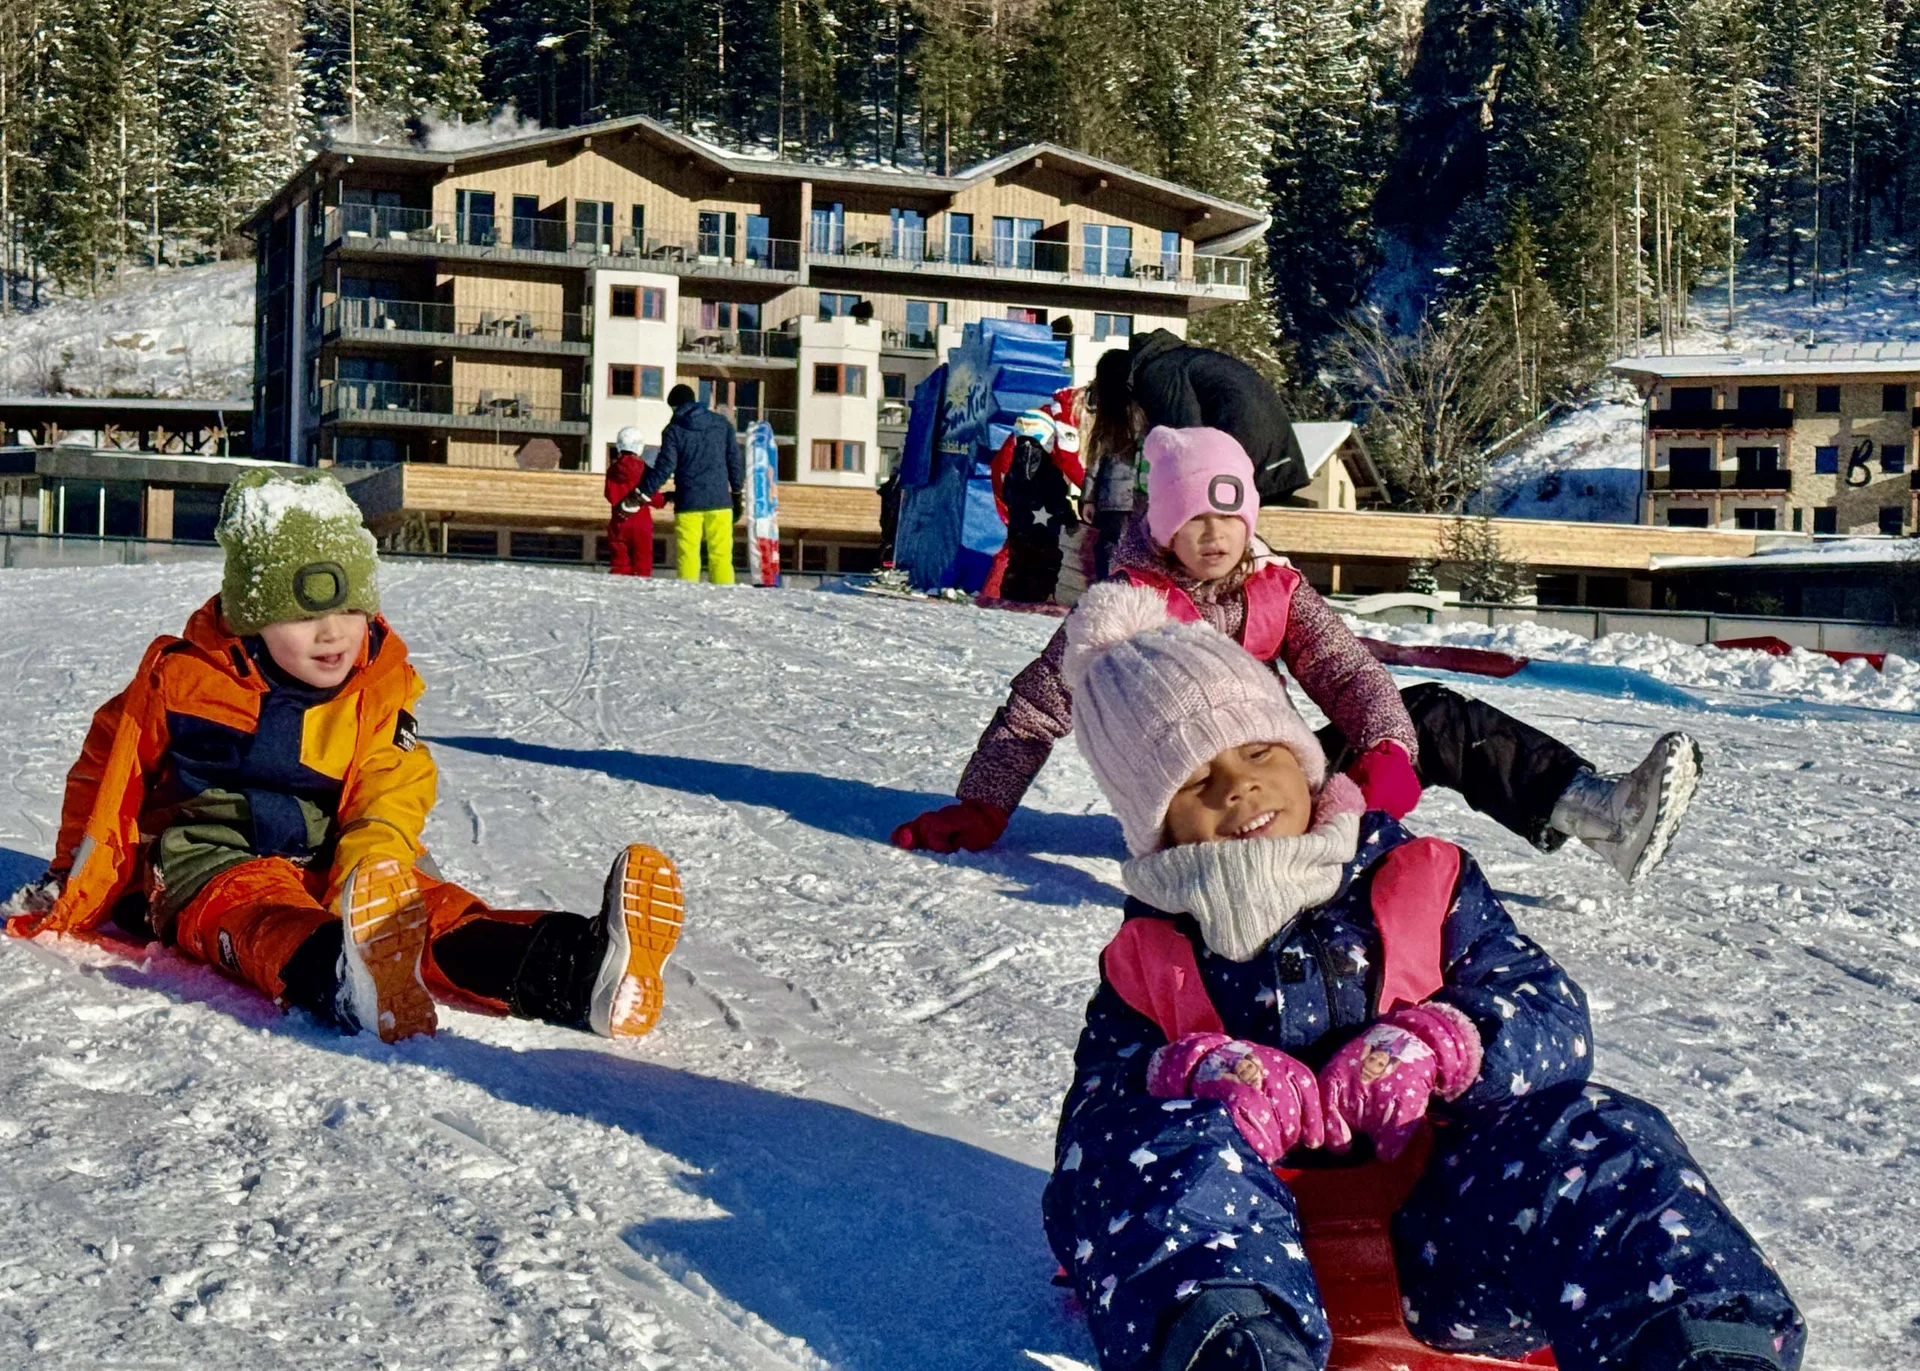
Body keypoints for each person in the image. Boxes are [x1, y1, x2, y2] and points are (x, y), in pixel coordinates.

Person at [1042, 581, 1804, 1371]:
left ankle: (1697, 1348)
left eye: (1259, 750)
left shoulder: (1420, 878)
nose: (1238, 785)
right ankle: (1231, 1356)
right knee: (1143, 1155)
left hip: (1446, 1247)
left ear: (1303, 759)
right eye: (1195, 782)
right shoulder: (1149, 954)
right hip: (1241, 1268)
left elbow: (1550, 1014)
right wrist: (1189, 1072)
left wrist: (1444, 1043)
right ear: (1155, 824)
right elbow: (1086, 1149)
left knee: (1594, 1133)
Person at [4, 471, 685, 1044]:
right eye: (302, 616)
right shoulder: (188, 679)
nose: (332, 634)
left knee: (425, 911)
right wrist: (74, 873)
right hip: (209, 865)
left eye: (351, 611)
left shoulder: (378, 683)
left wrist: (369, 872)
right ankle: (341, 975)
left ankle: (578, 969)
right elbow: (106, 767)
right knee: (261, 919)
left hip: (335, 864)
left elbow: (393, 787)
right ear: (252, 614)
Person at [893, 427, 1700, 884]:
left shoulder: (1275, 585)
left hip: (1279, 782)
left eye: (1229, 516)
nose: (1213, 535)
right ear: (1163, 521)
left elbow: (1345, 669)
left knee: (1433, 714)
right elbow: (1038, 707)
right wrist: (984, 803)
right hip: (1205, 811)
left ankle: (1596, 810)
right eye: (1192, 518)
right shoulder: (1128, 606)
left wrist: (1384, 743)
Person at [1128, 328, 1309, 504]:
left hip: (1241, 446)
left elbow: (1183, 433)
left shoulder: (1160, 370)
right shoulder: (1196, 358)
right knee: (1237, 523)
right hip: (1279, 450)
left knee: (1211, 519)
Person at [638, 384, 745, 584]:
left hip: (688, 502)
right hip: (720, 502)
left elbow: (665, 466)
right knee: (721, 556)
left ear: (675, 406)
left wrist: (644, 492)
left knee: (688, 555)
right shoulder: (723, 425)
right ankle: (726, 599)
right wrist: (737, 494)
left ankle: (688, 599)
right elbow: (735, 462)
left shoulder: (673, 430)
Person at [994, 410, 1083, 604]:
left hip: (1020, 527)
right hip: (1044, 530)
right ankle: (1038, 596)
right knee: (1044, 562)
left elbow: (1007, 494)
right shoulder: (1048, 469)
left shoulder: (1013, 469)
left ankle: (1012, 594)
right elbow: (1057, 497)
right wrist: (1069, 519)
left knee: (1019, 561)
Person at [1081, 349, 1142, 583]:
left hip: (1110, 498)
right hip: (1137, 498)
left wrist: (1088, 497)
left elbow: (1095, 457)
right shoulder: (1144, 410)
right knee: (1129, 555)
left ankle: (1105, 593)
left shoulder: (1109, 413)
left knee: (1107, 552)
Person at [606, 425, 665, 577]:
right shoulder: (643, 469)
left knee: (619, 562)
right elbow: (653, 496)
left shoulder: (612, 470)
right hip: (641, 522)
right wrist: (666, 498)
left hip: (619, 520)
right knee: (642, 562)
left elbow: (608, 494)